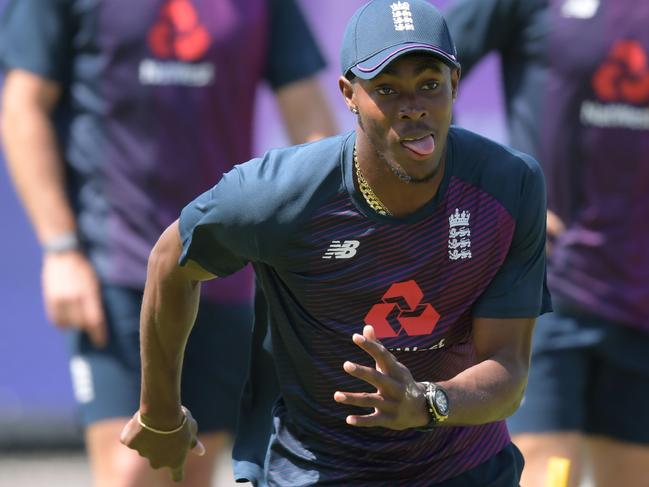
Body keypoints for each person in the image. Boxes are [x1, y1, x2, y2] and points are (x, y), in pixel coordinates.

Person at [120, 0, 551, 485]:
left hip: (463, 467)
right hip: (311, 468)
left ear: (454, 84)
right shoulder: (278, 195)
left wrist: (426, 401)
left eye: (429, 84)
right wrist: (159, 414)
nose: (412, 107)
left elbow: (507, 368)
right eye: (387, 89)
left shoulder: (509, 186)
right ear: (349, 94)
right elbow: (170, 261)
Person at [0, 0, 336, 485]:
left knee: (189, 469)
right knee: (131, 471)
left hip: (222, 269)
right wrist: (60, 250)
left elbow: (309, 117)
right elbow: (22, 106)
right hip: (114, 266)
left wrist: (322, 236)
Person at [445, 0, 649, 485]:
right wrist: (478, 191)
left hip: (640, 300)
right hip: (547, 286)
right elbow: (425, 64)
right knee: (545, 469)